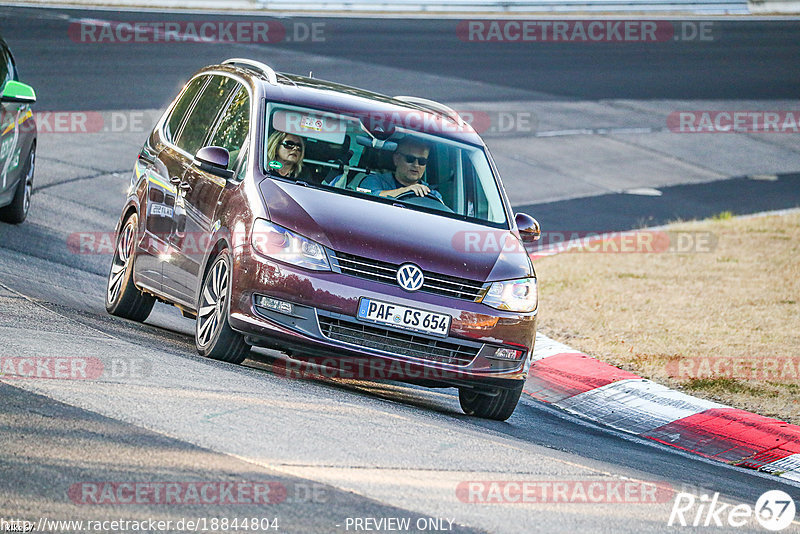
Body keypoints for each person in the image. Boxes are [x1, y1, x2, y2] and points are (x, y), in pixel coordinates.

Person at [360, 137, 442, 201]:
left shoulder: (432, 194)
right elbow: (365, 195)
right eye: (410, 159)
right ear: (396, 159)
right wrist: (405, 190)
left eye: (422, 161)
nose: (416, 165)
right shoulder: (373, 180)